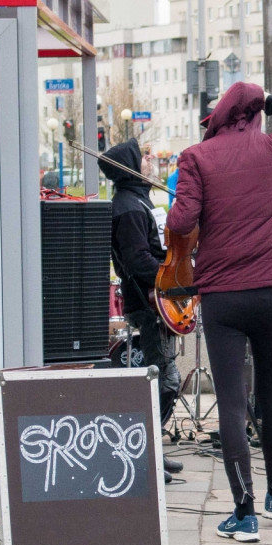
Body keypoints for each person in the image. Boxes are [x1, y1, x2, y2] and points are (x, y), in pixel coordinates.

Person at [168, 83, 272, 542]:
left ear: (219, 114)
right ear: (257, 112)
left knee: (233, 404)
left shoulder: (197, 157)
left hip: (223, 294)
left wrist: (183, 212)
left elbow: (182, 222)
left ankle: (244, 511)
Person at [101, 138, 184, 485]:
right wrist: (175, 278)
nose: (151, 161)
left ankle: (150, 446)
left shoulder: (136, 200)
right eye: (144, 156)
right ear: (131, 165)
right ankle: (143, 448)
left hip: (155, 299)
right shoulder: (129, 207)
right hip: (149, 301)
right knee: (164, 380)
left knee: (164, 375)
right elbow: (137, 260)